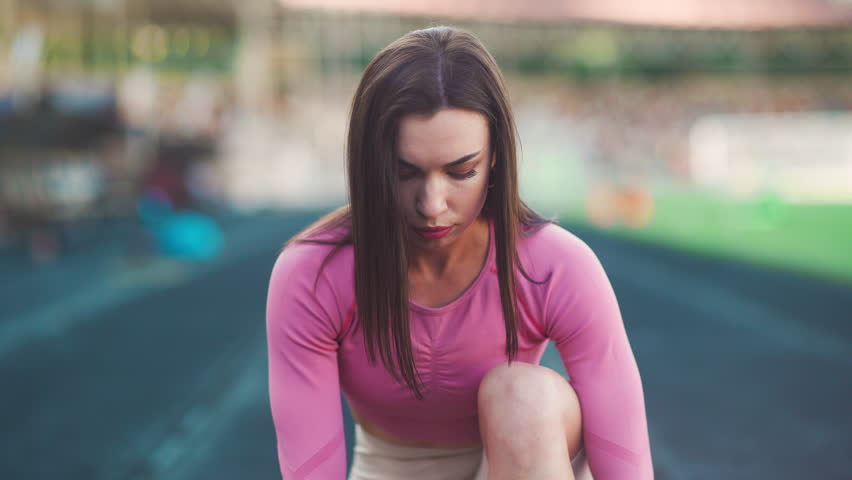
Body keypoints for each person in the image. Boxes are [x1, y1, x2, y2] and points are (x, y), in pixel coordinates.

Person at [266, 26, 654, 480]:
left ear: (494, 158)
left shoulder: (559, 266)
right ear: (371, 163)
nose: (432, 205)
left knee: (521, 397)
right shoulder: (312, 275)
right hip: (390, 468)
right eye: (404, 172)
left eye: (461, 171)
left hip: (527, 463)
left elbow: (627, 464)